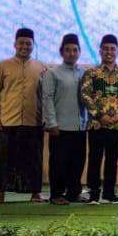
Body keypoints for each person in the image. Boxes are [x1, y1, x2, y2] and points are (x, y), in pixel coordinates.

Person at [0, 28, 46, 204]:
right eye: (21, 43)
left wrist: (47, 119)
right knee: (3, 160)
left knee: (34, 160)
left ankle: (35, 193)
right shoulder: (2, 66)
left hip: (34, 121)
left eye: (28, 43)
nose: (24, 46)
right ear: (15, 44)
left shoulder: (41, 68)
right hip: (7, 122)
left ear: (33, 45)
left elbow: (46, 96)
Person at [80, 34, 118, 204]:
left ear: (117, 52)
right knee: (95, 159)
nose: (109, 52)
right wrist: (100, 115)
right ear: (100, 51)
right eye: (106, 49)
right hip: (97, 124)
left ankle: (109, 193)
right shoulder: (91, 73)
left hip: (117, 125)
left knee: (112, 161)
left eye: (112, 49)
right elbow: (85, 95)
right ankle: (93, 193)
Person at [42, 33, 87, 205]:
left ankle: (74, 193)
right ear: (61, 52)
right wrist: (51, 123)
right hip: (60, 127)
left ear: (79, 52)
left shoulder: (84, 73)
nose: (71, 53)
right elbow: (47, 99)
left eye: (75, 50)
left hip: (80, 127)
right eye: (67, 50)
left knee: (77, 162)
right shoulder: (52, 73)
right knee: (59, 163)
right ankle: (56, 194)